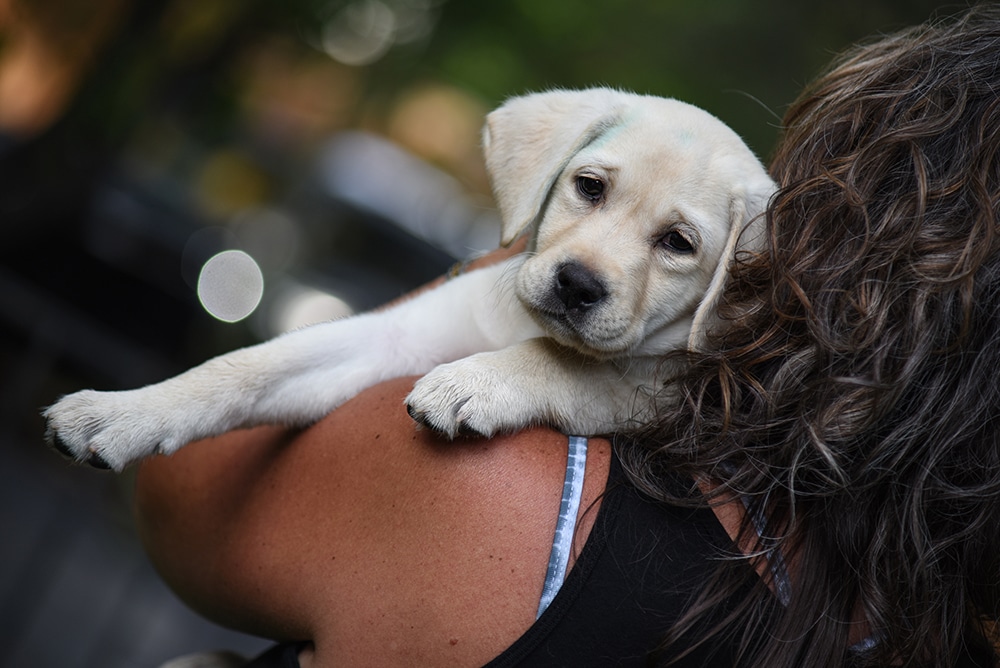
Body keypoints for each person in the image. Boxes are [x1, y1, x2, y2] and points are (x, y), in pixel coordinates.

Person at [134, 6, 1000, 667]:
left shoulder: (508, 494)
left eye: (678, 243)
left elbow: (182, 494)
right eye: (589, 189)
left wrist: (506, 271)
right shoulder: (928, 634)